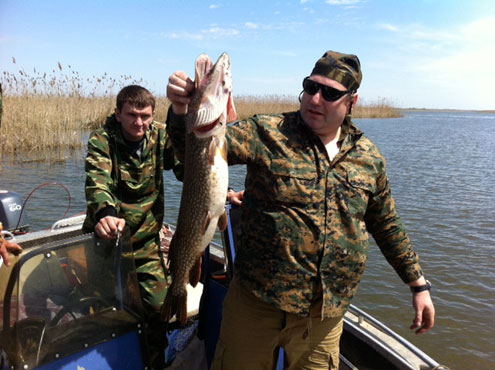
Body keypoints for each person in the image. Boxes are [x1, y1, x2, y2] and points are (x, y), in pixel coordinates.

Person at [166, 51, 435, 370]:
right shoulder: (267, 131)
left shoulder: (368, 158)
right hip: (254, 306)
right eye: (311, 87)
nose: (316, 98)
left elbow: (387, 223)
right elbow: (192, 157)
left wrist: (417, 285)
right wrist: (181, 109)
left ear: (352, 101)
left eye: (330, 93)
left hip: (323, 318)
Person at [82, 85, 183, 369]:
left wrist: (218, 190)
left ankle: (154, 361)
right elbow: (97, 180)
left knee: (157, 306)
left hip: (146, 241)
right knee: (105, 312)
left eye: (145, 116)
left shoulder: (161, 134)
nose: (139, 123)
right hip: (107, 239)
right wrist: (105, 213)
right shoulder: (102, 139)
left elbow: (185, 168)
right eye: (132, 115)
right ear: (118, 114)